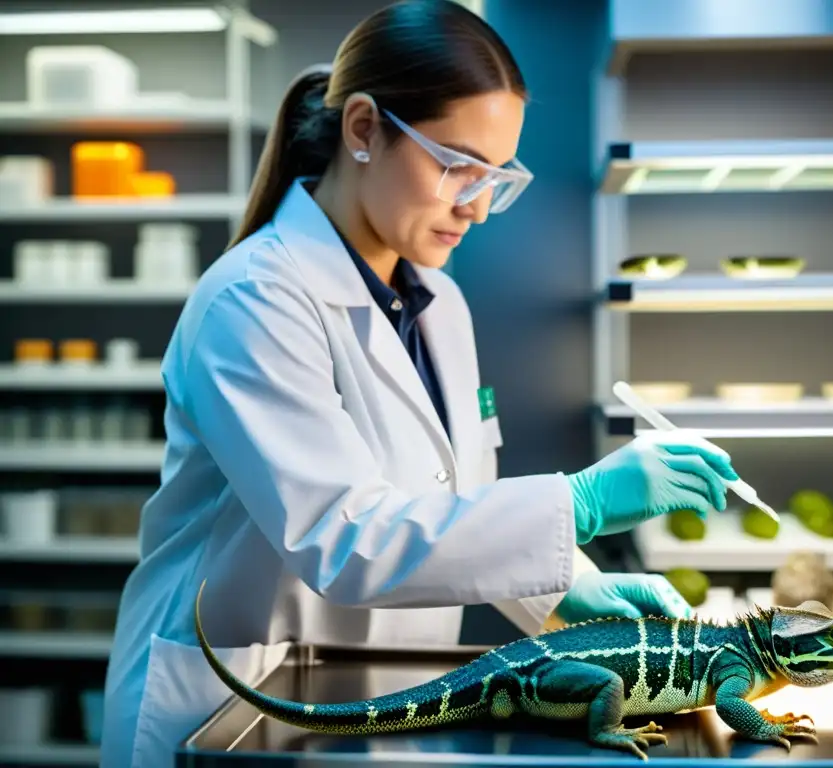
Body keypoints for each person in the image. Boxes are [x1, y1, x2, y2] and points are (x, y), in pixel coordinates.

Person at [98, 2, 739, 766]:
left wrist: (562, 587)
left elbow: (448, 505)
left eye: (497, 177)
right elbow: (343, 536)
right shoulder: (255, 300)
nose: (476, 205)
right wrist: (581, 502)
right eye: (457, 165)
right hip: (236, 698)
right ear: (364, 128)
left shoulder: (440, 304)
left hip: (370, 698)